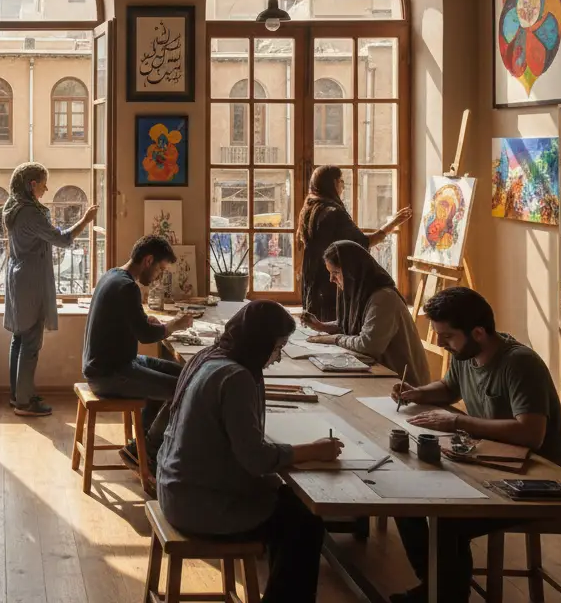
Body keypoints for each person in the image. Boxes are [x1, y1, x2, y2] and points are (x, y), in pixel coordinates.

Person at [387, 287, 561, 603]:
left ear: (479, 332)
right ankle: (436, 586)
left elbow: (531, 434)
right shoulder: (465, 354)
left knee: (447, 516)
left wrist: (457, 422)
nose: (442, 344)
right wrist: (417, 393)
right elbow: (448, 388)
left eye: (448, 337)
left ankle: (446, 595)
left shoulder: (520, 364)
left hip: (534, 479)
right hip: (488, 463)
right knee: (403, 500)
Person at [156, 300, 341, 603]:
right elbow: (255, 459)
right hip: (198, 505)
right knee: (304, 522)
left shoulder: (208, 357)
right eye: (277, 346)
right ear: (260, 341)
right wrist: (313, 450)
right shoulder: (237, 376)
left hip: (176, 489)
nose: (278, 357)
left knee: (292, 506)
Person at [82, 235, 193, 470]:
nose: (158, 276)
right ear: (148, 260)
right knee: (182, 390)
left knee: (185, 373)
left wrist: (146, 320)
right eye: (159, 269)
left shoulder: (113, 275)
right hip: (109, 374)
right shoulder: (127, 287)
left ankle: (142, 442)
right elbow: (145, 336)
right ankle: (146, 449)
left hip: (113, 363)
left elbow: (133, 323)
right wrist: (175, 324)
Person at [2, 162, 97, 417]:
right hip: (31, 280)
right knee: (31, 341)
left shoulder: (13, 207)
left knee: (19, 338)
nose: (47, 188)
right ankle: (24, 402)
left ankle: (17, 394)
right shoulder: (30, 213)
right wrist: (86, 220)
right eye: (44, 183)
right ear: (32, 185)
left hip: (18, 276)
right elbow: (63, 239)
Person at [301, 240, 430, 385]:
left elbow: (368, 345)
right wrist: (321, 327)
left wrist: (334, 338)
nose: (331, 279)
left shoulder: (383, 298)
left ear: (352, 271)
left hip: (403, 384)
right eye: (330, 273)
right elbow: (354, 324)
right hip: (378, 374)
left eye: (335, 273)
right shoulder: (360, 292)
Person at [297, 166, 411, 321]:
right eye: (341, 181)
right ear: (333, 183)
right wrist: (392, 224)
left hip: (313, 281)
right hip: (332, 282)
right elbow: (363, 243)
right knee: (335, 328)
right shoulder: (334, 212)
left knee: (319, 327)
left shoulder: (309, 209)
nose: (343, 185)